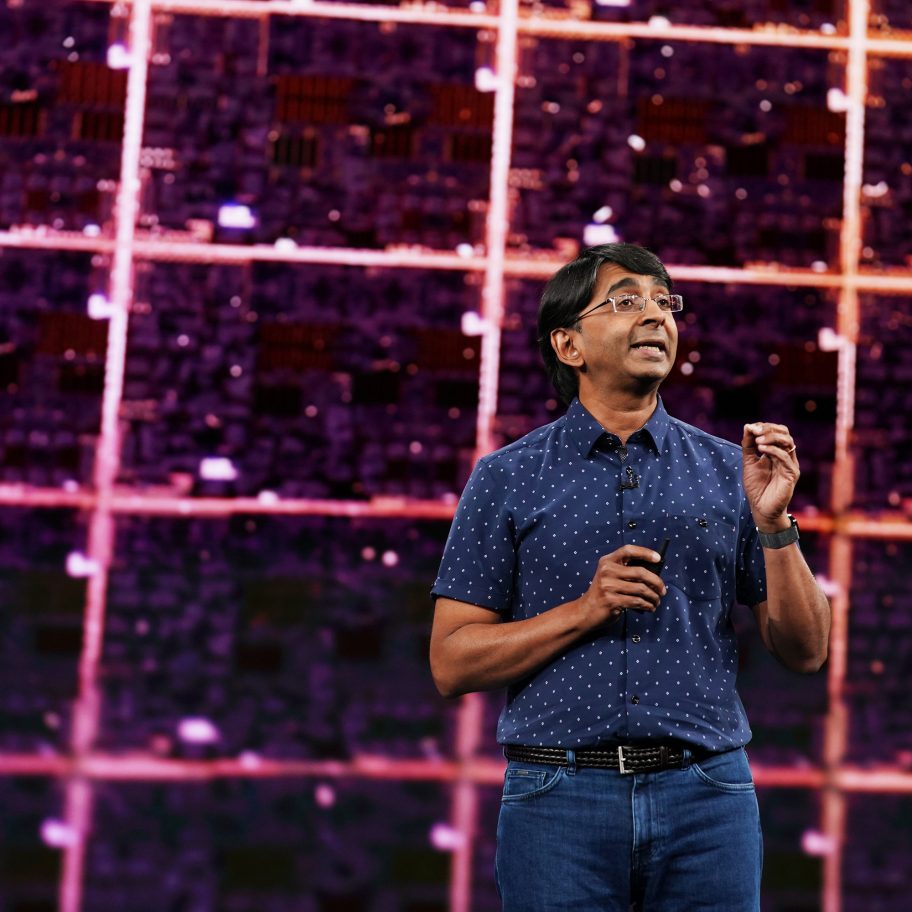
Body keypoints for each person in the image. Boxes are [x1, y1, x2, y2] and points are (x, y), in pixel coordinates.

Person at [429, 243, 830, 912]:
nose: (654, 315)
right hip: (557, 803)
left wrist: (775, 523)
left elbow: (807, 649)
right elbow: (450, 661)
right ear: (569, 345)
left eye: (662, 302)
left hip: (708, 800)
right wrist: (585, 610)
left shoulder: (734, 470)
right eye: (625, 301)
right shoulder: (506, 478)